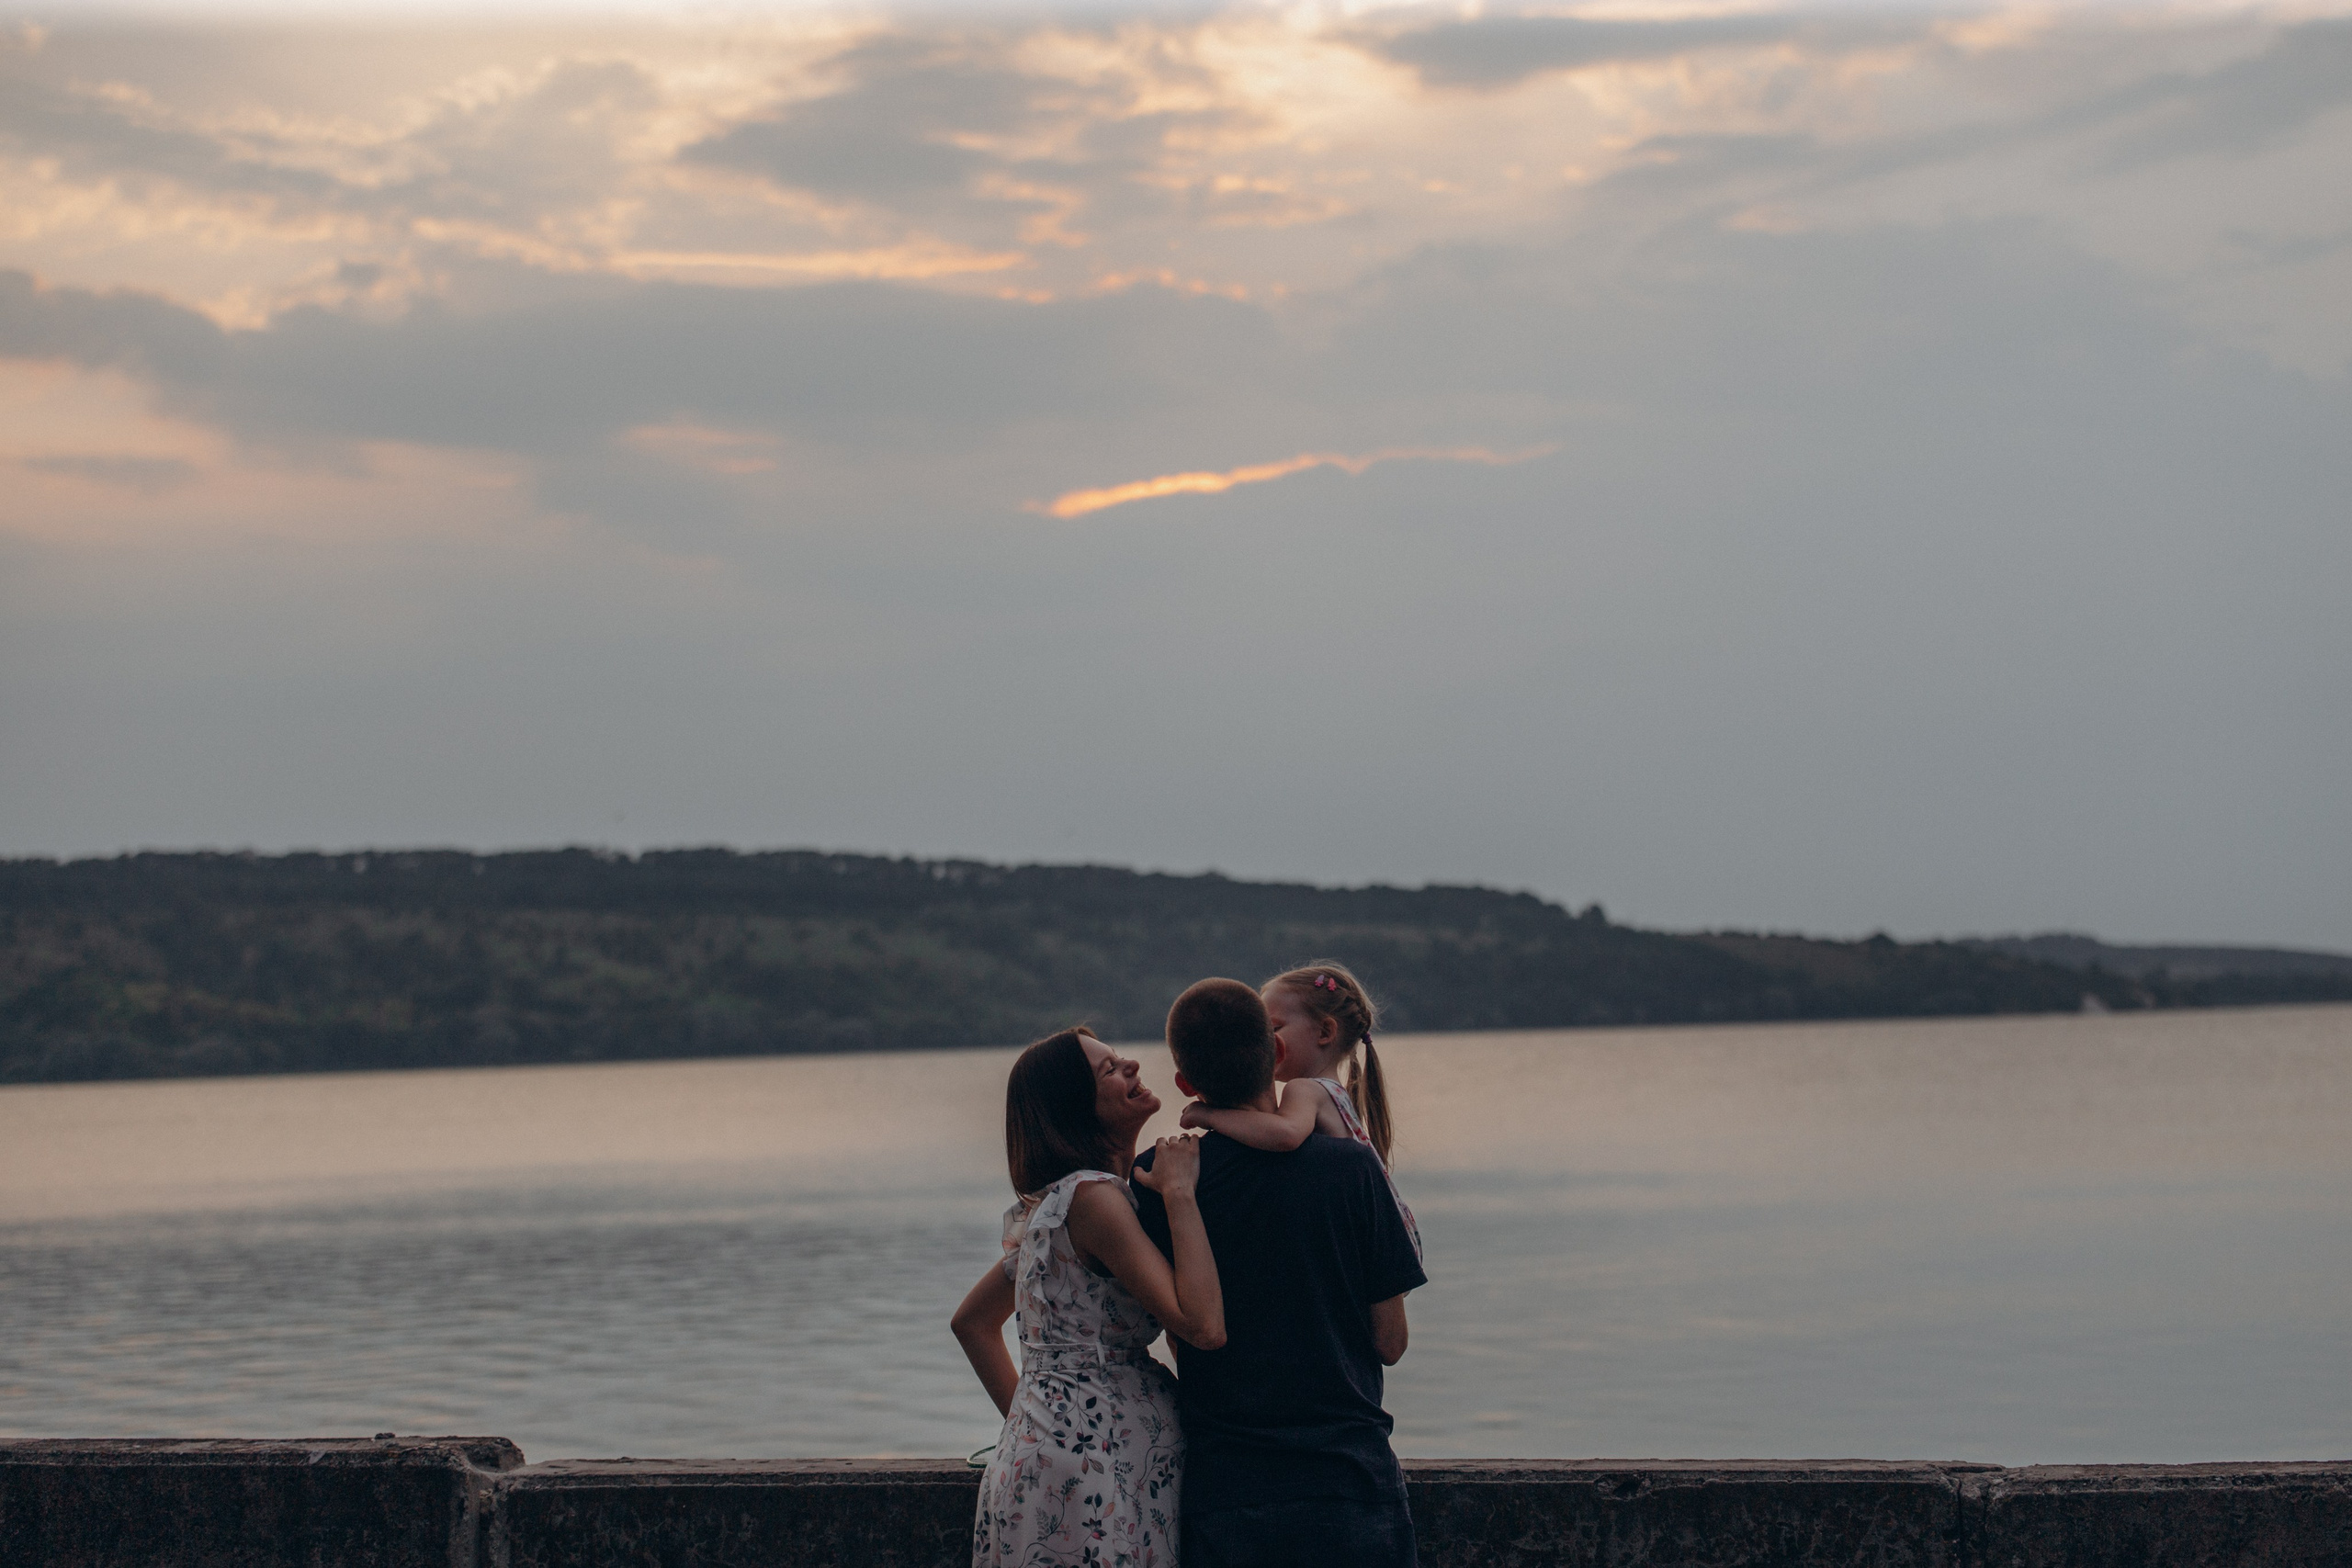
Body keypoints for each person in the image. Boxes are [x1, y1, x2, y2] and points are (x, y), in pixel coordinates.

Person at [1131, 979, 1427, 1568]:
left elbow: (1169, 1329)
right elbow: (1390, 1343)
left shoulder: (1157, 1178)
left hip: (1227, 1491)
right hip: (1351, 1482)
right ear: (1278, 1055)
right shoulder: (1352, 1168)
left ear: (1185, 1085)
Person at [953, 1025, 1227, 1568]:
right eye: (1110, 1070)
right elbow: (1202, 1325)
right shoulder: (1093, 1201)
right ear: (1077, 1106)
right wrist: (1179, 1192)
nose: (1132, 1067)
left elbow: (972, 1323)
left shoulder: (1059, 1203)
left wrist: (1033, 1425)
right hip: (1091, 1470)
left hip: (1075, 1457)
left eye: (1121, 1059)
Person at [1180, 962, 1420, 1262]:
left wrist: (1209, 1115)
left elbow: (1286, 1135)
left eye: (1273, 1029)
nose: (1264, 1040)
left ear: (1325, 1031)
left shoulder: (1305, 1090)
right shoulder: (1333, 1092)